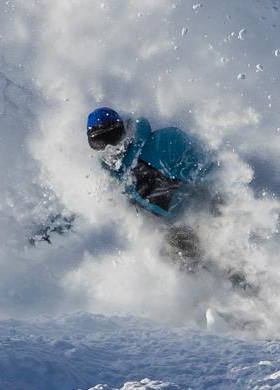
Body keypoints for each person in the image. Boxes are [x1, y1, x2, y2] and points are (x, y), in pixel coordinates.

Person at [86, 105, 223, 270]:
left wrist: (219, 211)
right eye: (98, 142)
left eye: (112, 137)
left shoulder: (163, 143)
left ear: (124, 130)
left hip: (208, 217)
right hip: (178, 236)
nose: (109, 148)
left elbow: (214, 173)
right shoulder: (111, 177)